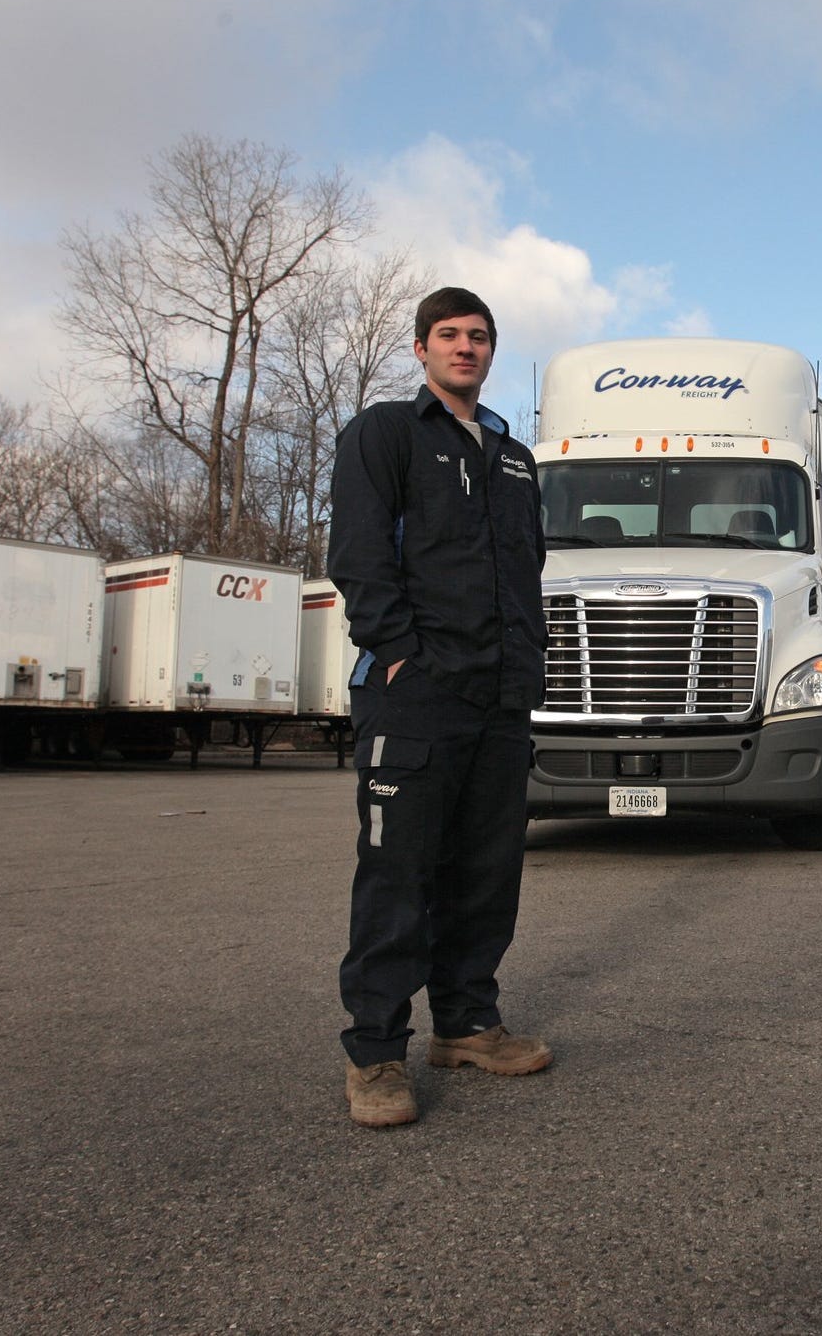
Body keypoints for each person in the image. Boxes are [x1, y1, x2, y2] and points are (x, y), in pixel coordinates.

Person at [328, 286, 552, 1129]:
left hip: (502, 698)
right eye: (449, 334)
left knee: (486, 873)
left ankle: (465, 1025)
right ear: (421, 348)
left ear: (492, 351)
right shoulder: (387, 433)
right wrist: (396, 654)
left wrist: (529, 670)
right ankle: (375, 1053)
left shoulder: (514, 458)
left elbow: (526, 571)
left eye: (479, 336)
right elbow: (358, 551)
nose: (466, 347)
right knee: (399, 876)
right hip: (416, 696)